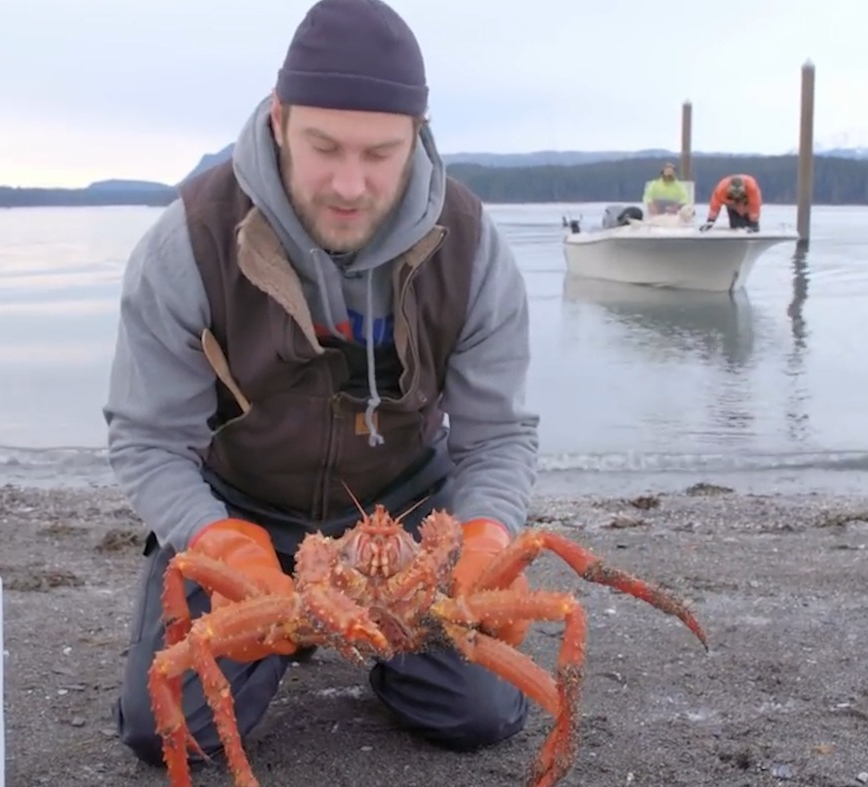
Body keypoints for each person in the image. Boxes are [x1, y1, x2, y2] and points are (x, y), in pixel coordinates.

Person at [101, 0, 541, 773]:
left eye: (380, 152)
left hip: (411, 531)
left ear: (419, 135)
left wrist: (485, 535)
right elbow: (147, 438)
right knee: (167, 724)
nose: (349, 183)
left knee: (480, 710)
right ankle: (270, 639)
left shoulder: (473, 249)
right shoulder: (190, 239)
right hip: (245, 516)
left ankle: (393, 659)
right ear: (279, 120)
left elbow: (498, 436)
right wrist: (215, 538)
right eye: (324, 146)